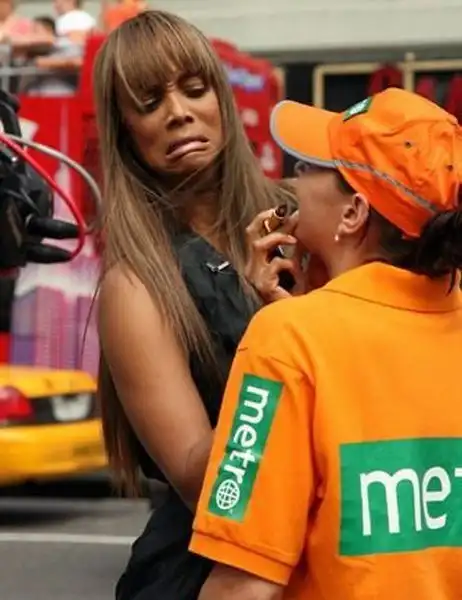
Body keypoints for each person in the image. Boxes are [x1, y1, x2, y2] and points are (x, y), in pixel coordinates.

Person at [190, 87, 462, 600]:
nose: (292, 181)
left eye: (308, 166)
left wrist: (293, 327)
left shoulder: (288, 339)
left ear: (354, 213)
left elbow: (243, 585)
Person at [94, 10, 300, 600]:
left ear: (221, 98)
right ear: (125, 129)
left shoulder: (300, 218)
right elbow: (202, 480)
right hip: (210, 569)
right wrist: (275, 332)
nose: (178, 112)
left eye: (193, 88)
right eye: (149, 101)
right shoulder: (136, 285)